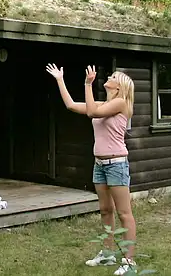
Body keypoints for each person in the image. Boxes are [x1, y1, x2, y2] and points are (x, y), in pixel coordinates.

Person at [46, 63, 137, 275]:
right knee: (105, 210)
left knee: (124, 213)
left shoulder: (121, 103)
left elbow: (92, 113)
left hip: (116, 164)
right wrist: (60, 79)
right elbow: (70, 105)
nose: (109, 77)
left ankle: (129, 261)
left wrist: (88, 84)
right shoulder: (101, 104)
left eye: (113, 76)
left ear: (119, 86)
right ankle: (107, 254)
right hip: (100, 165)